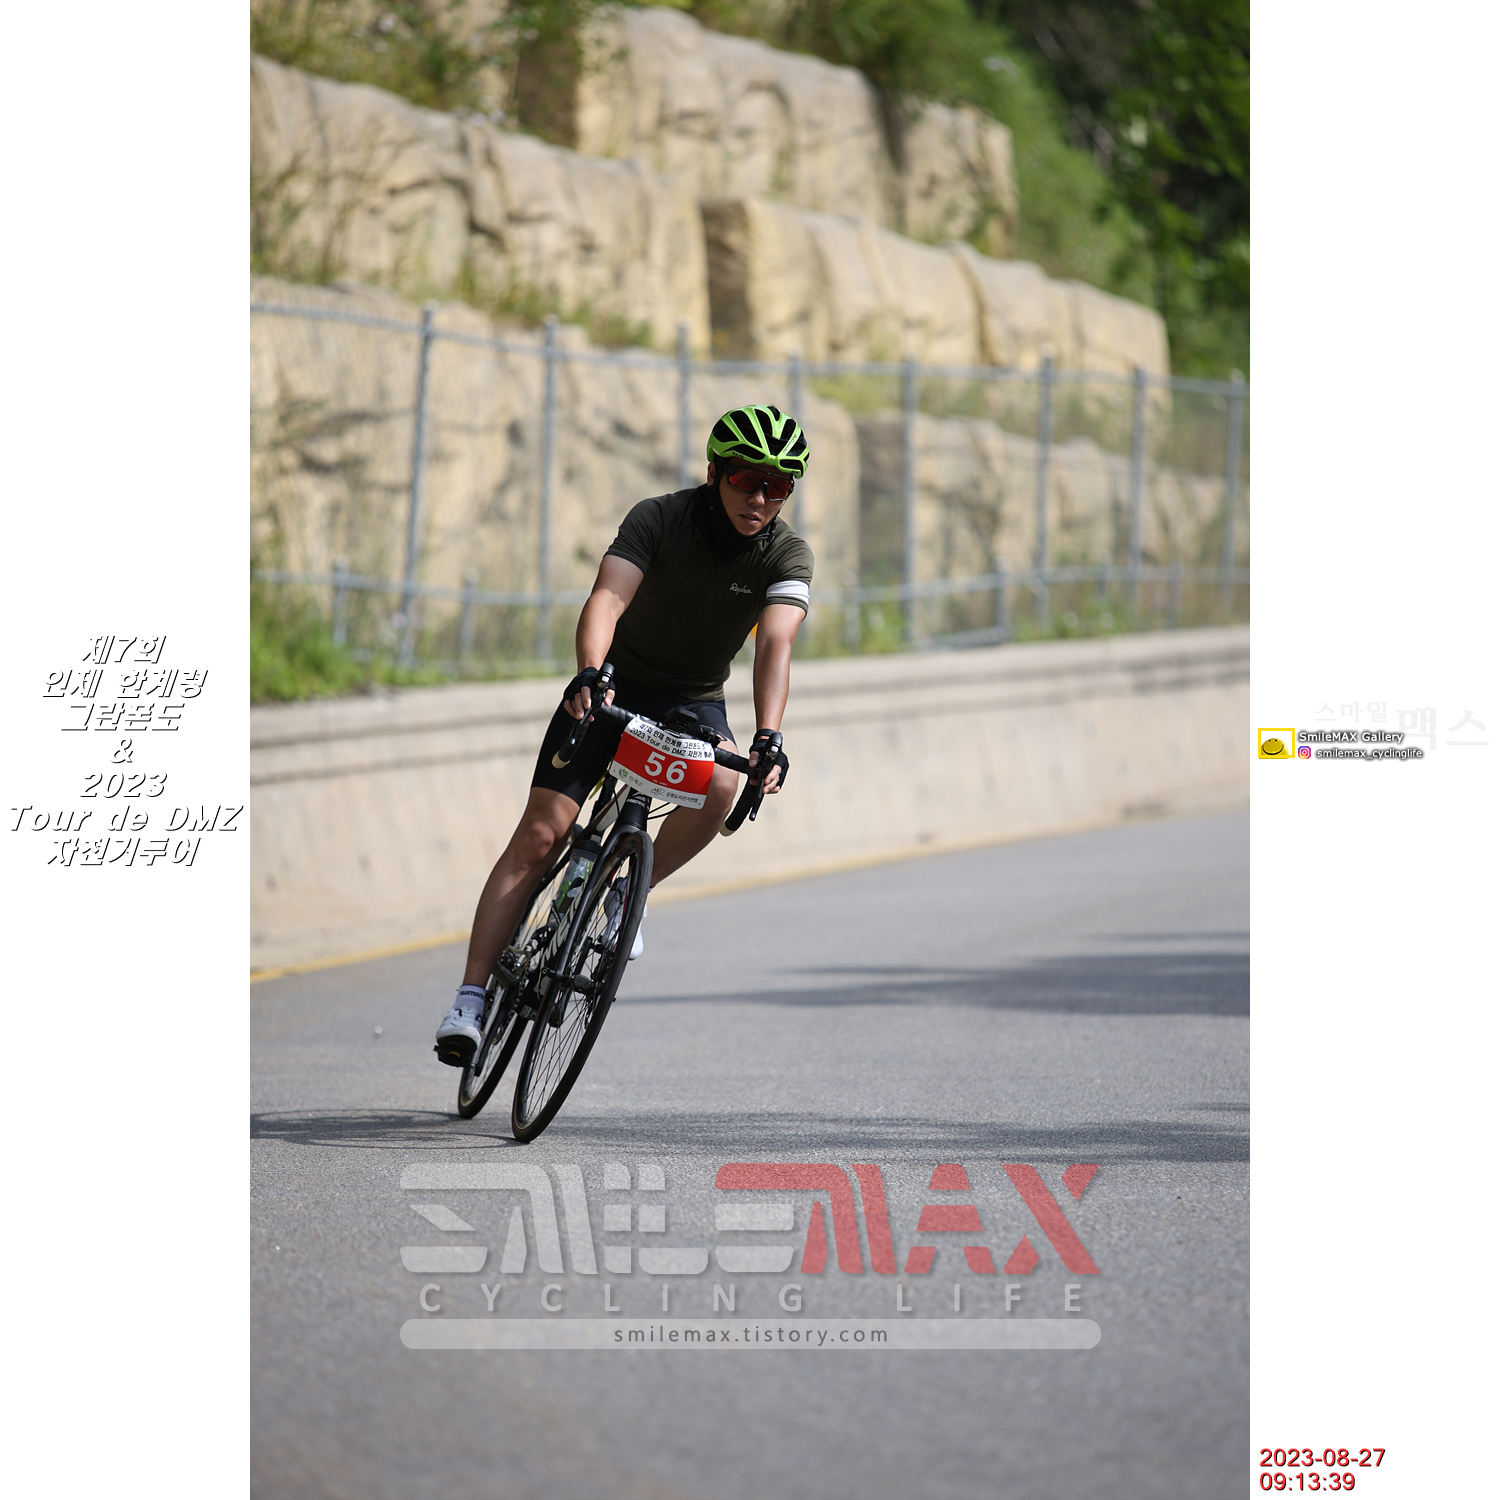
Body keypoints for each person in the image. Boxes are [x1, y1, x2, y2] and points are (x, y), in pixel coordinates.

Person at [435, 403, 813, 1066]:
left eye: (778, 486)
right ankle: (468, 1000)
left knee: (722, 786)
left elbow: (775, 643)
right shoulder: (659, 518)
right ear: (715, 473)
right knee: (540, 836)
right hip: (614, 685)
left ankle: (624, 895)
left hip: (692, 700)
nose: (759, 498)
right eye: (746, 479)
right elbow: (608, 598)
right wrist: (590, 672)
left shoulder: (786, 552)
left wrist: (768, 736)